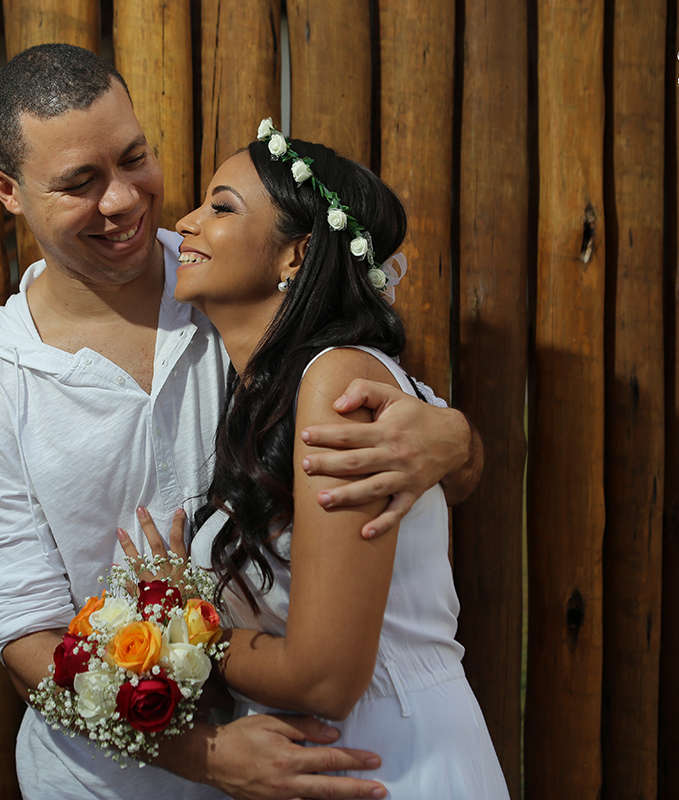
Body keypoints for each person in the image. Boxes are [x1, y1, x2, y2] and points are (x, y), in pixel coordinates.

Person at [0, 43, 482, 800]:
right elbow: (26, 639)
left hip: (312, 755)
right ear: (8, 189)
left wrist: (454, 440)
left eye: (134, 159)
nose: (123, 201)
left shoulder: (239, 291)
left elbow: (420, 467)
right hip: (105, 785)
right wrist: (206, 756)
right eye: (80, 183)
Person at [127, 128, 508, 797]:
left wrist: (182, 624)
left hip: (386, 757)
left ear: (297, 254)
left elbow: (324, 678)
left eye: (221, 207)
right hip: (325, 759)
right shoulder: (266, 392)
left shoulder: (337, 382)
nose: (184, 222)